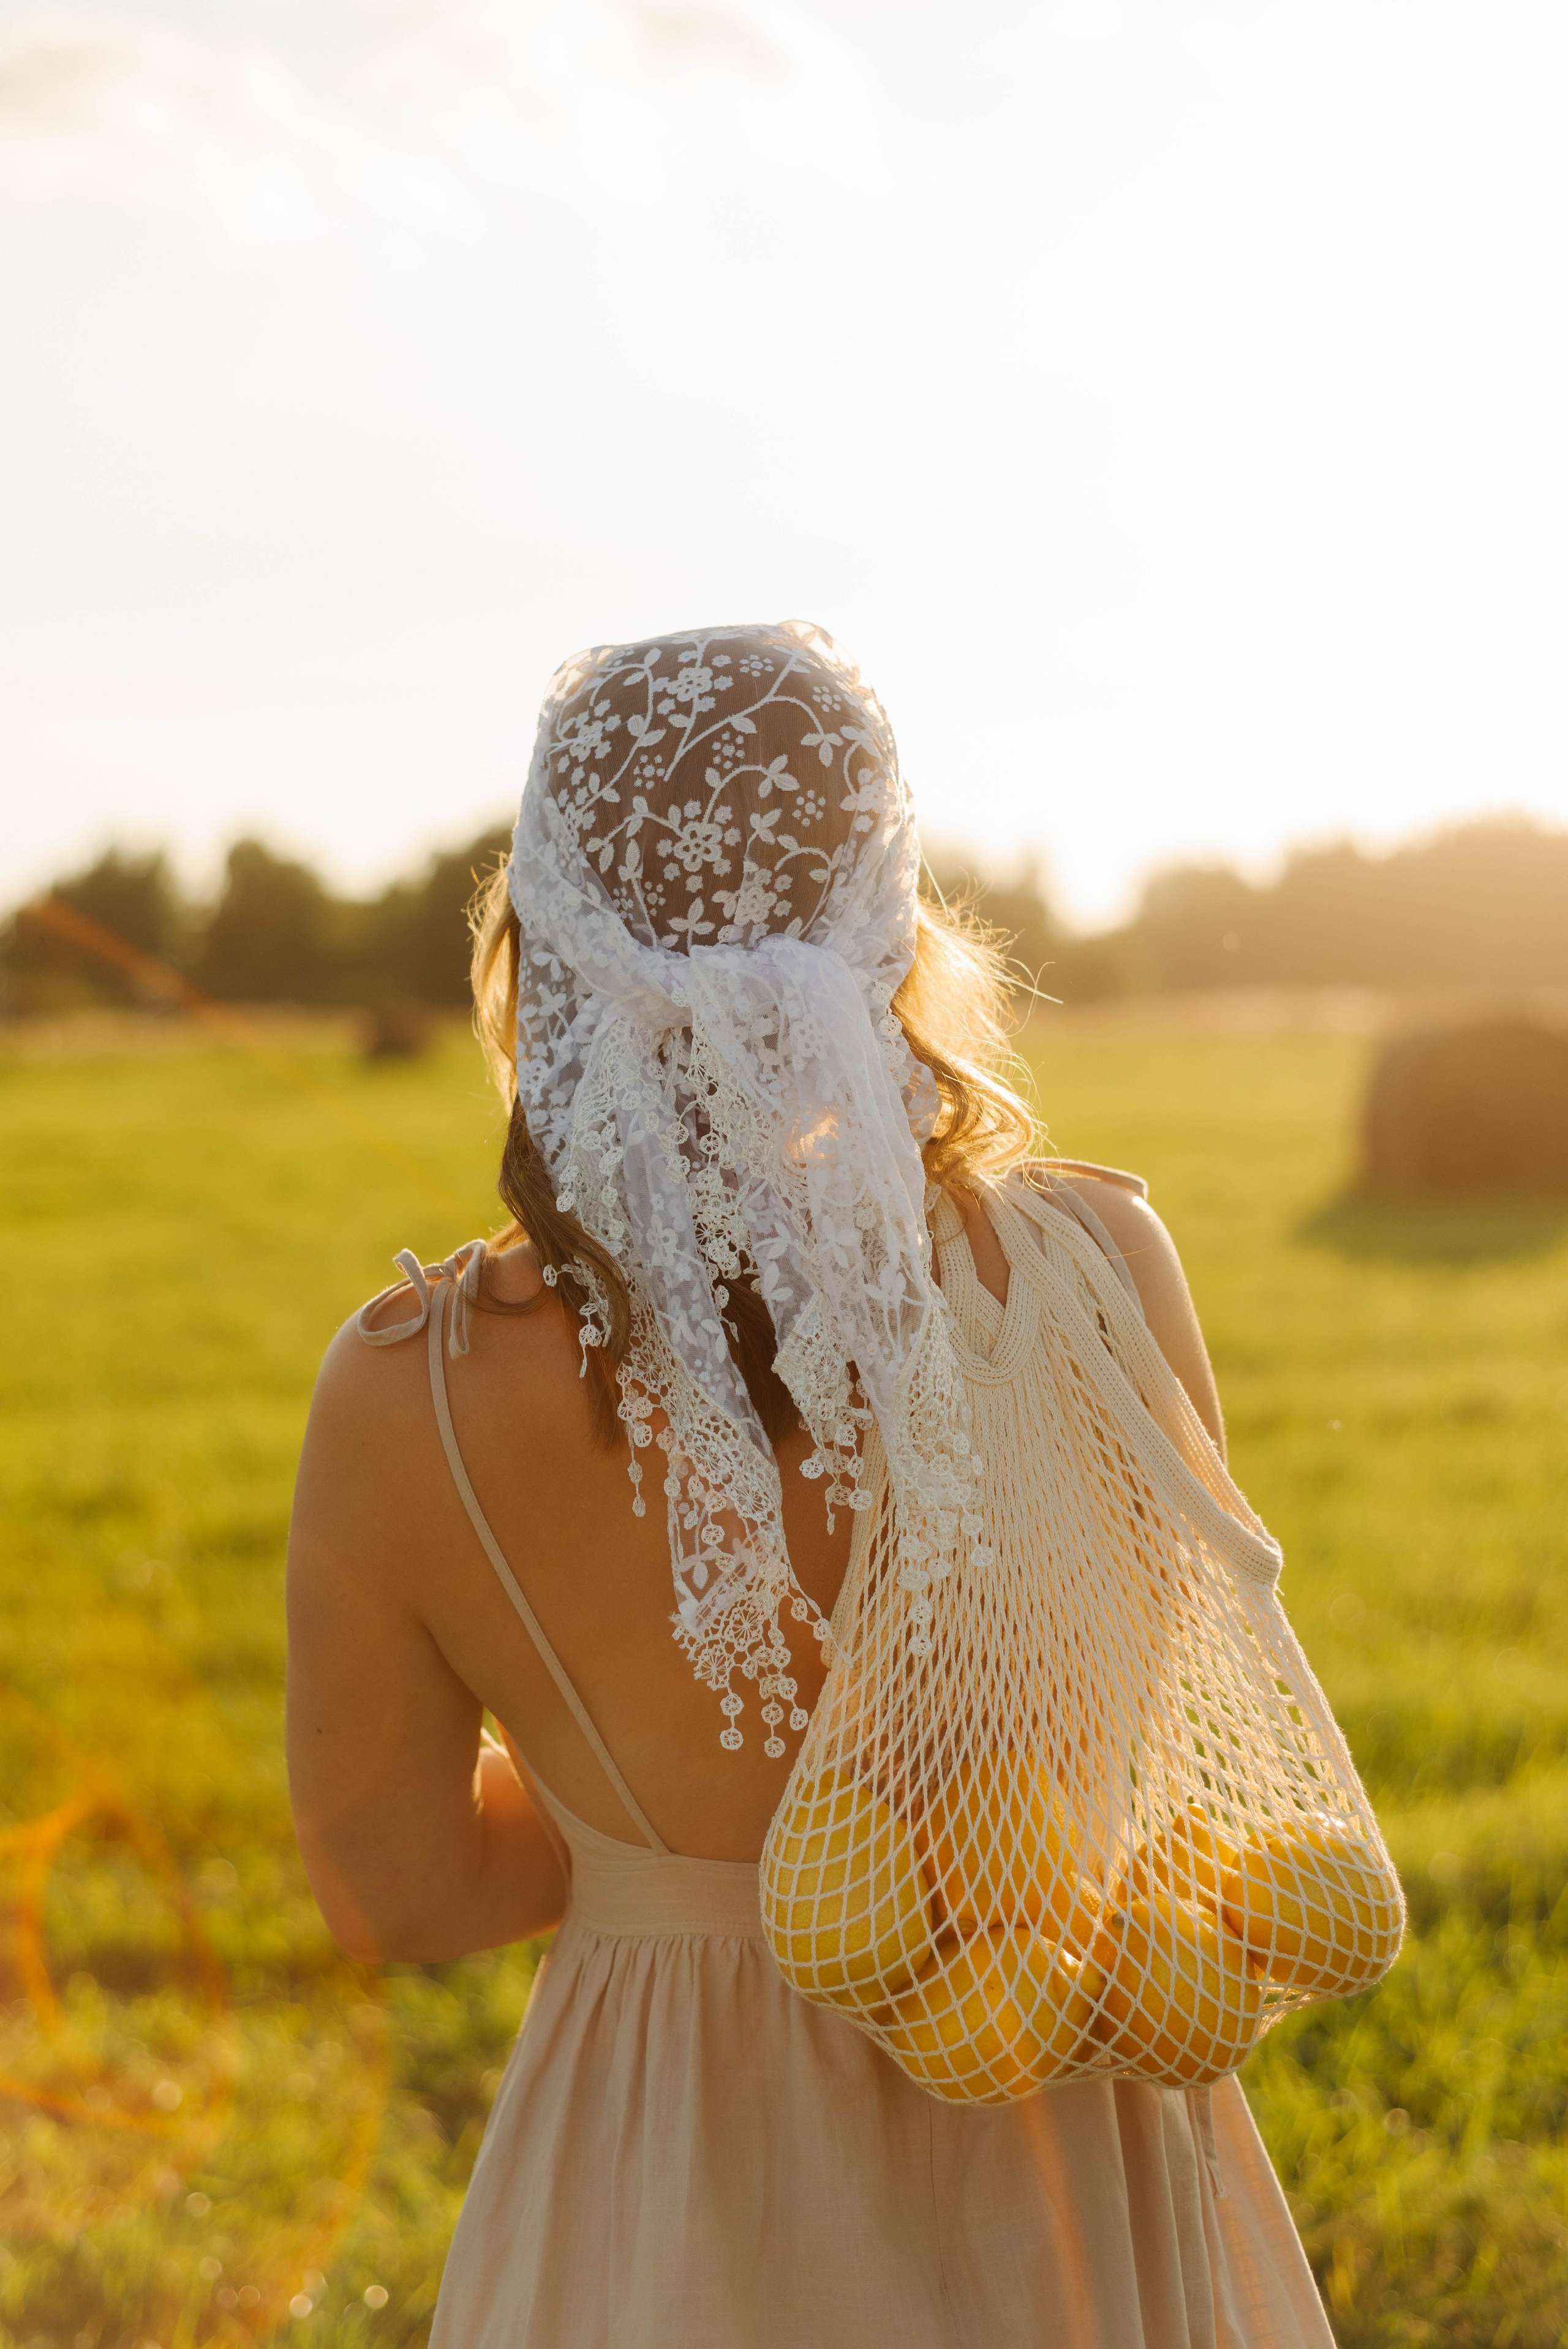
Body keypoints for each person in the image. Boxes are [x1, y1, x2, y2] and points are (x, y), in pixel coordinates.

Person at [287, 621, 1333, 2347]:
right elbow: (1108, 1728)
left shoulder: (410, 1393)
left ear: (534, 950)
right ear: (888, 925)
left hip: (665, 2172)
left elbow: (394, 1891)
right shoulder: (1092, 1269)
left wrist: (654, 1832)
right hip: (1052, 2136)